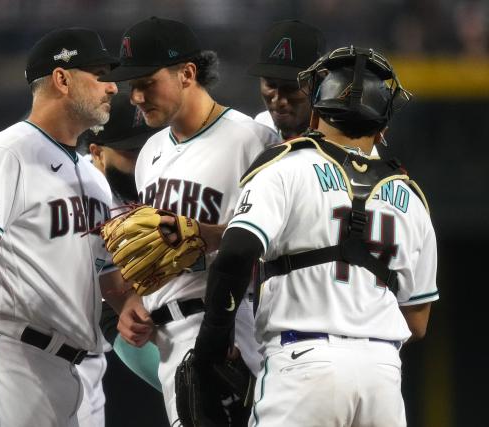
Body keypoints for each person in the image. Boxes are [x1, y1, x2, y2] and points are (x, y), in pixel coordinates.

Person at [192, 46, 439, 426]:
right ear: (383, 126)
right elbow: (417, 322)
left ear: (318, 108)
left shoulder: (286, 167)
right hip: (382, 377)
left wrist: (211, 348)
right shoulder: (411, 198)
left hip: (303, 363)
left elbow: (236, 253)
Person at [98, 16, 281, 424]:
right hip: (166, 341)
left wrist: (204, 235)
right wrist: (132, 302)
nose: (137, 96)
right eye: (133, 86)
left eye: (147, 82)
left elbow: (279, 239)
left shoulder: (251, 140)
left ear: (187, 73)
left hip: (232, 327)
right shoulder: (150, 154)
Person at [0, 27, 121, 427]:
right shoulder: (7, 153)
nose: (112, 87)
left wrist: (136, 308)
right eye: (99, 74)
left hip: (86, 370)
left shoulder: (94, 178)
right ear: (62, 78)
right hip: (15, 359)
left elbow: (106, 277)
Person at [75, 93, 162, 427]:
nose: (141, 160)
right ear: (96, 152)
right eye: (130, 152)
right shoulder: (78, 188)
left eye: (146, 148)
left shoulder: (163, 172)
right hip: (110, 313)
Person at [248, 20, 326, 138]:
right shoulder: (260, 127)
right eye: (270, 85)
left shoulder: (341, 139)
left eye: (291, 88)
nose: (277, 100)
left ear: (319, 84)